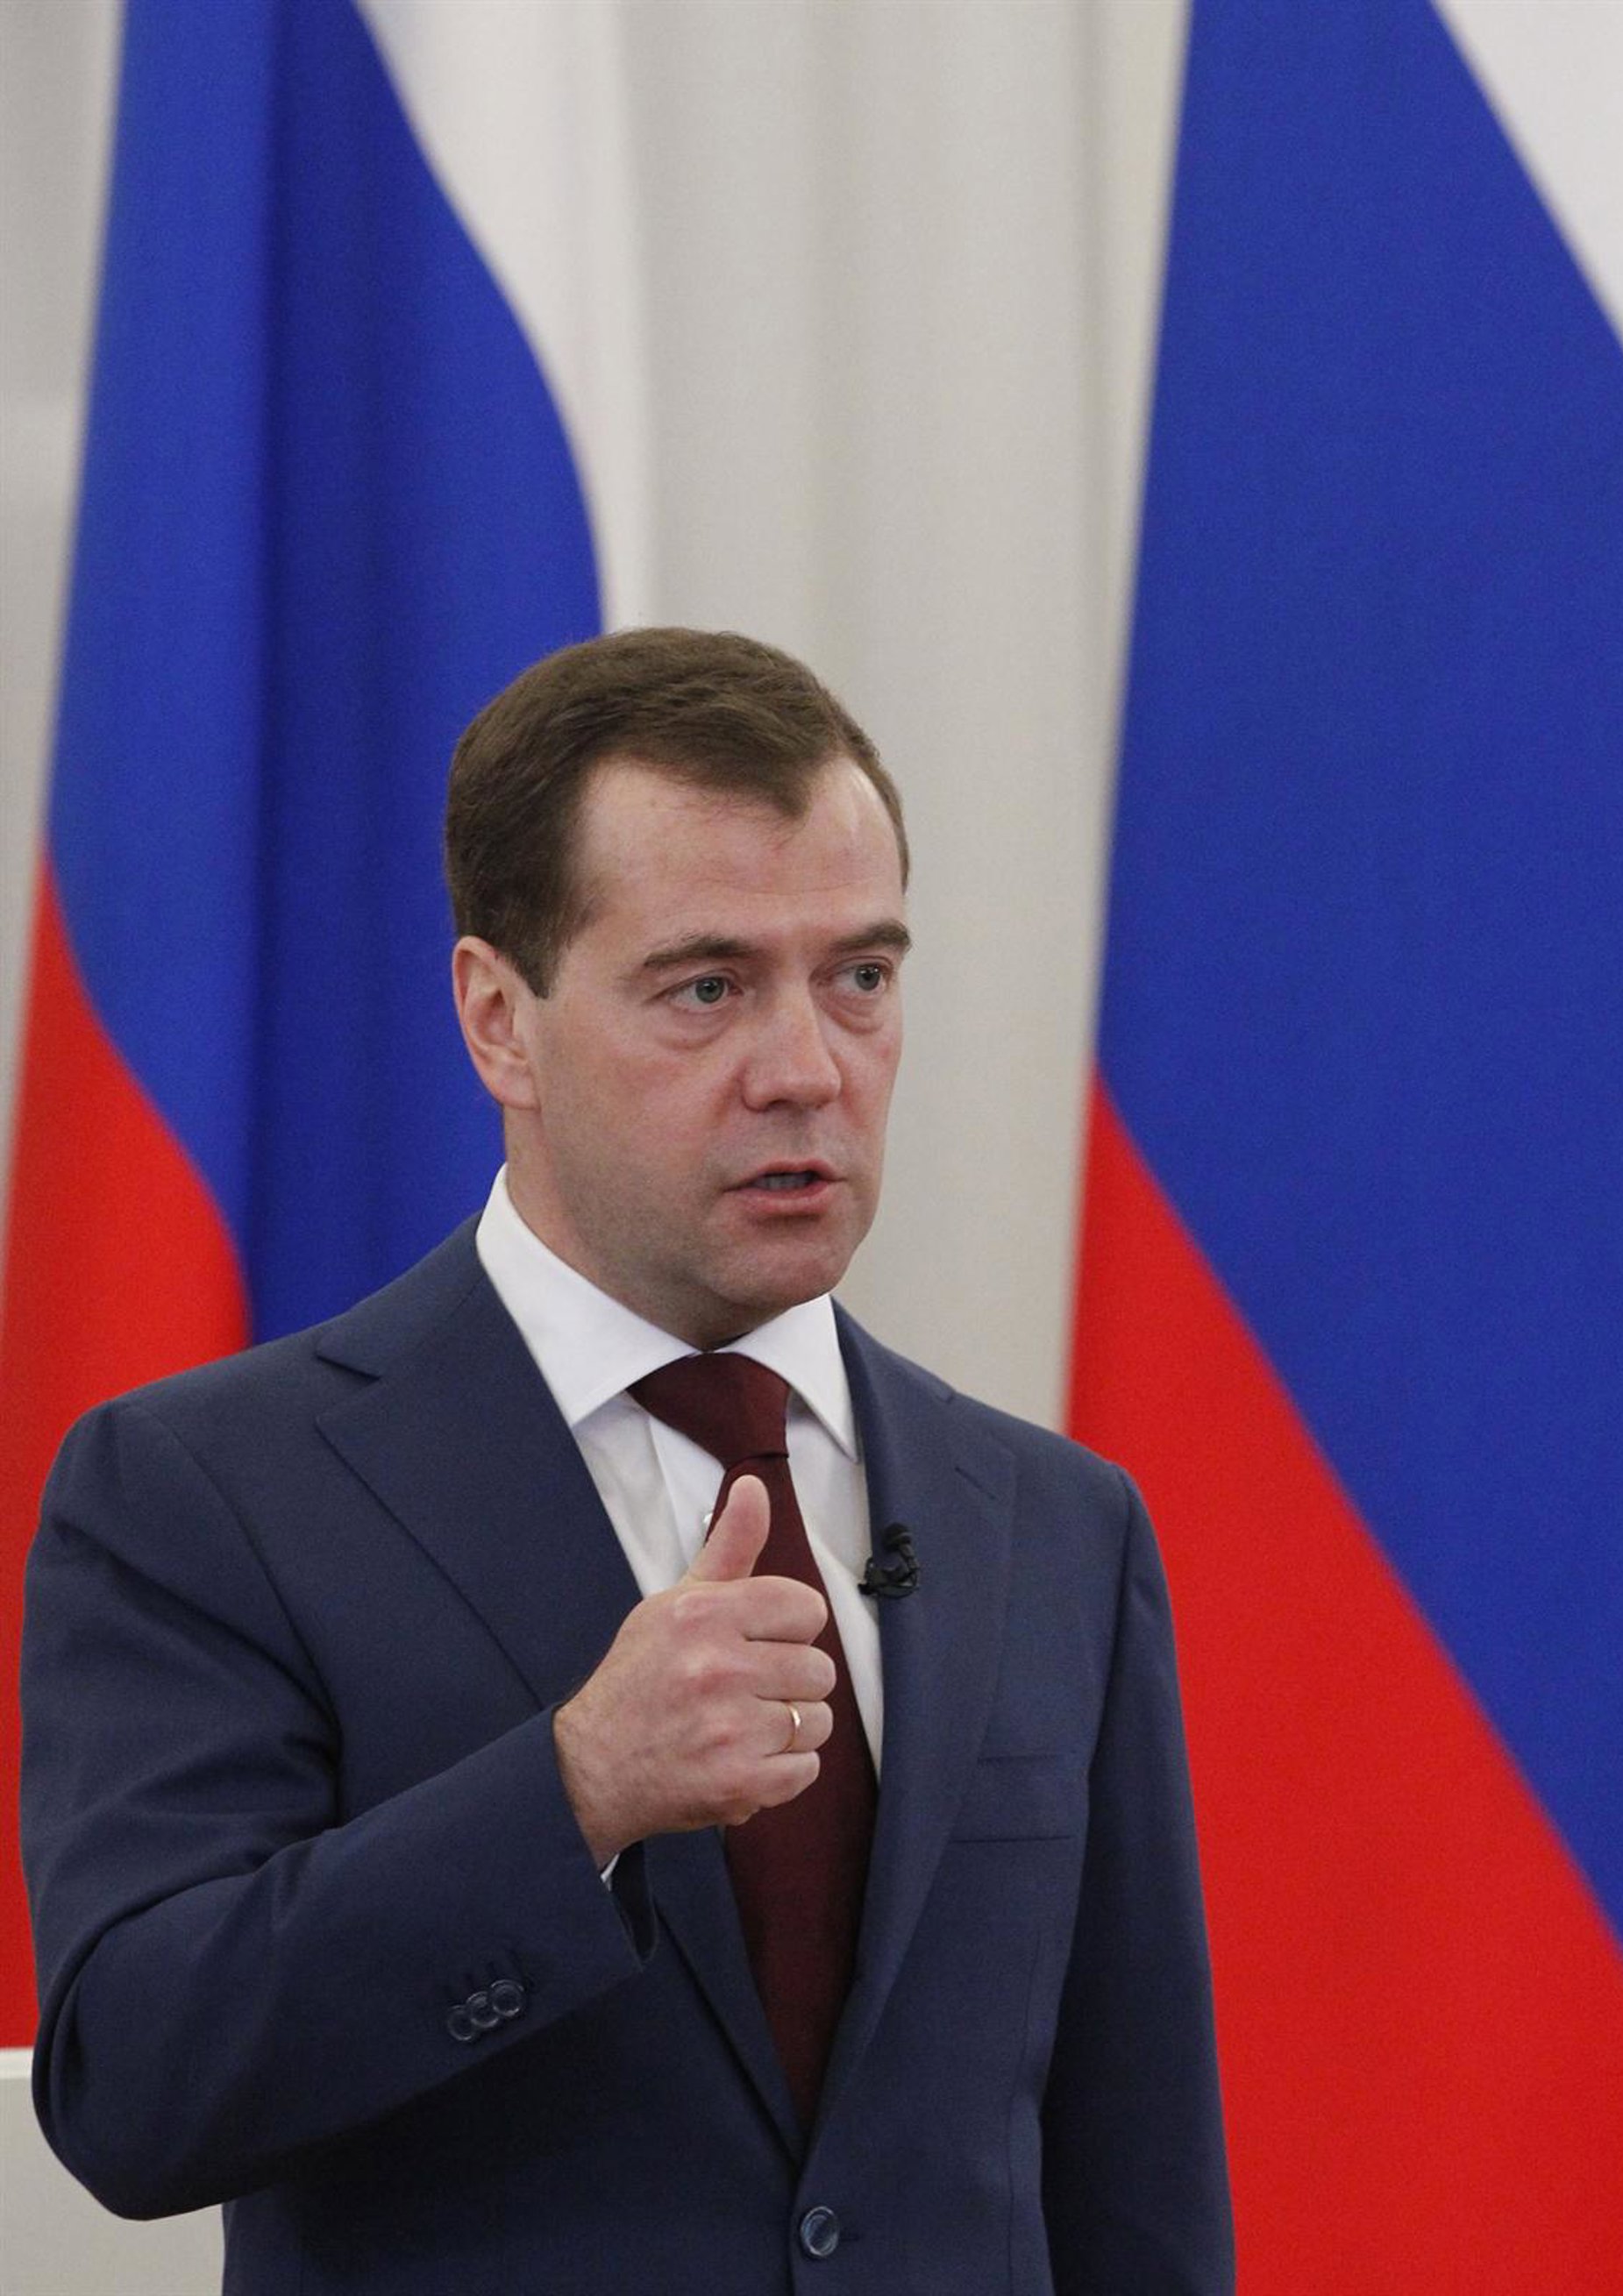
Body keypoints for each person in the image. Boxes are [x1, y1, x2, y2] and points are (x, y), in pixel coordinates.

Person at [22, 629, 1234, 2294]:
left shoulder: (1054, 1526)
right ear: (498, 1022)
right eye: (706, 988)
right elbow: (135, 2084)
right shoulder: (210, 1494)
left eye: (860, 978)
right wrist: (575, 1790)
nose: (807, 1069)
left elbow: (1136, 2187)